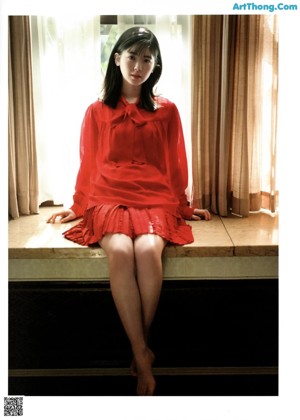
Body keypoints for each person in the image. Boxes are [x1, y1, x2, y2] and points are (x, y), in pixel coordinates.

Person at [47, 26, 211, 396]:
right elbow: (87, 163)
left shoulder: (168, 111)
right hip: (108, 196)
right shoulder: (96, 111)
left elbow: (176, 164)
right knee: (120, 250)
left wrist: (183, 207)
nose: (139, 66)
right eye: (132, 57)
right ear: (117, 58)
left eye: (147, 59)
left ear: (155, 66)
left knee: (149, 249)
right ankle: (142, 352)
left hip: (154, 198)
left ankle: (140, 349)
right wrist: (78, 206)